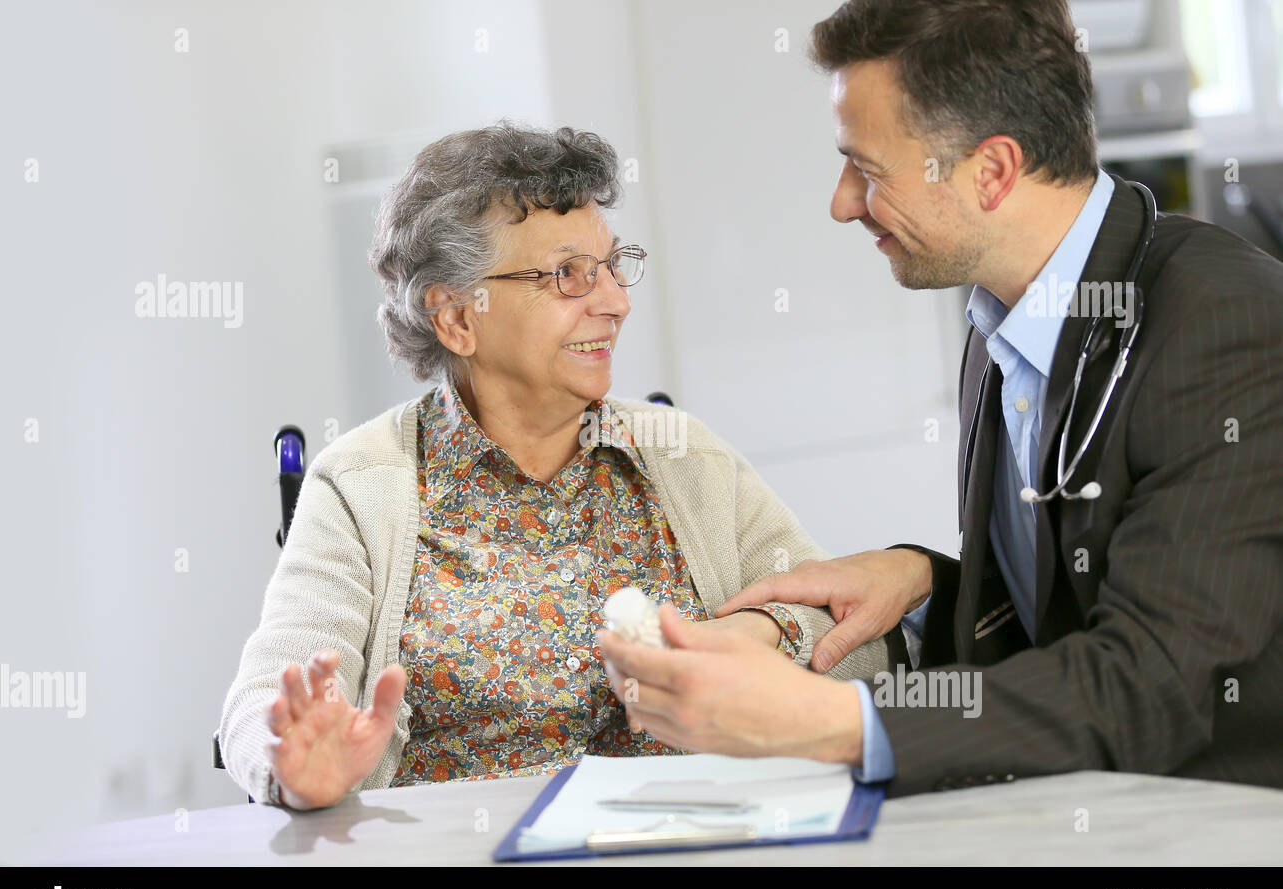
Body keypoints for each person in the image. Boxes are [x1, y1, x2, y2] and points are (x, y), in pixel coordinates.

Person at [600, 0, 1283, 796]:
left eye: (869, 169)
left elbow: (1148, 681)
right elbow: (1075, 606)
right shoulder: (1002, 317)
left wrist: (822, 721)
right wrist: (926, 581)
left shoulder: (1226, 325)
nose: (843, 202)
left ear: (991, 171)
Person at [218, 121, 885, 810]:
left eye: (612, 266)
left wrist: (766, 633)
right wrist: (288, 761)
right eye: (568, 275)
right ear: (455, 320)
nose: (616, 302)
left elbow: (861, 644)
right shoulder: (362, 486)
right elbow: (264, 699)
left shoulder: (684, 456)